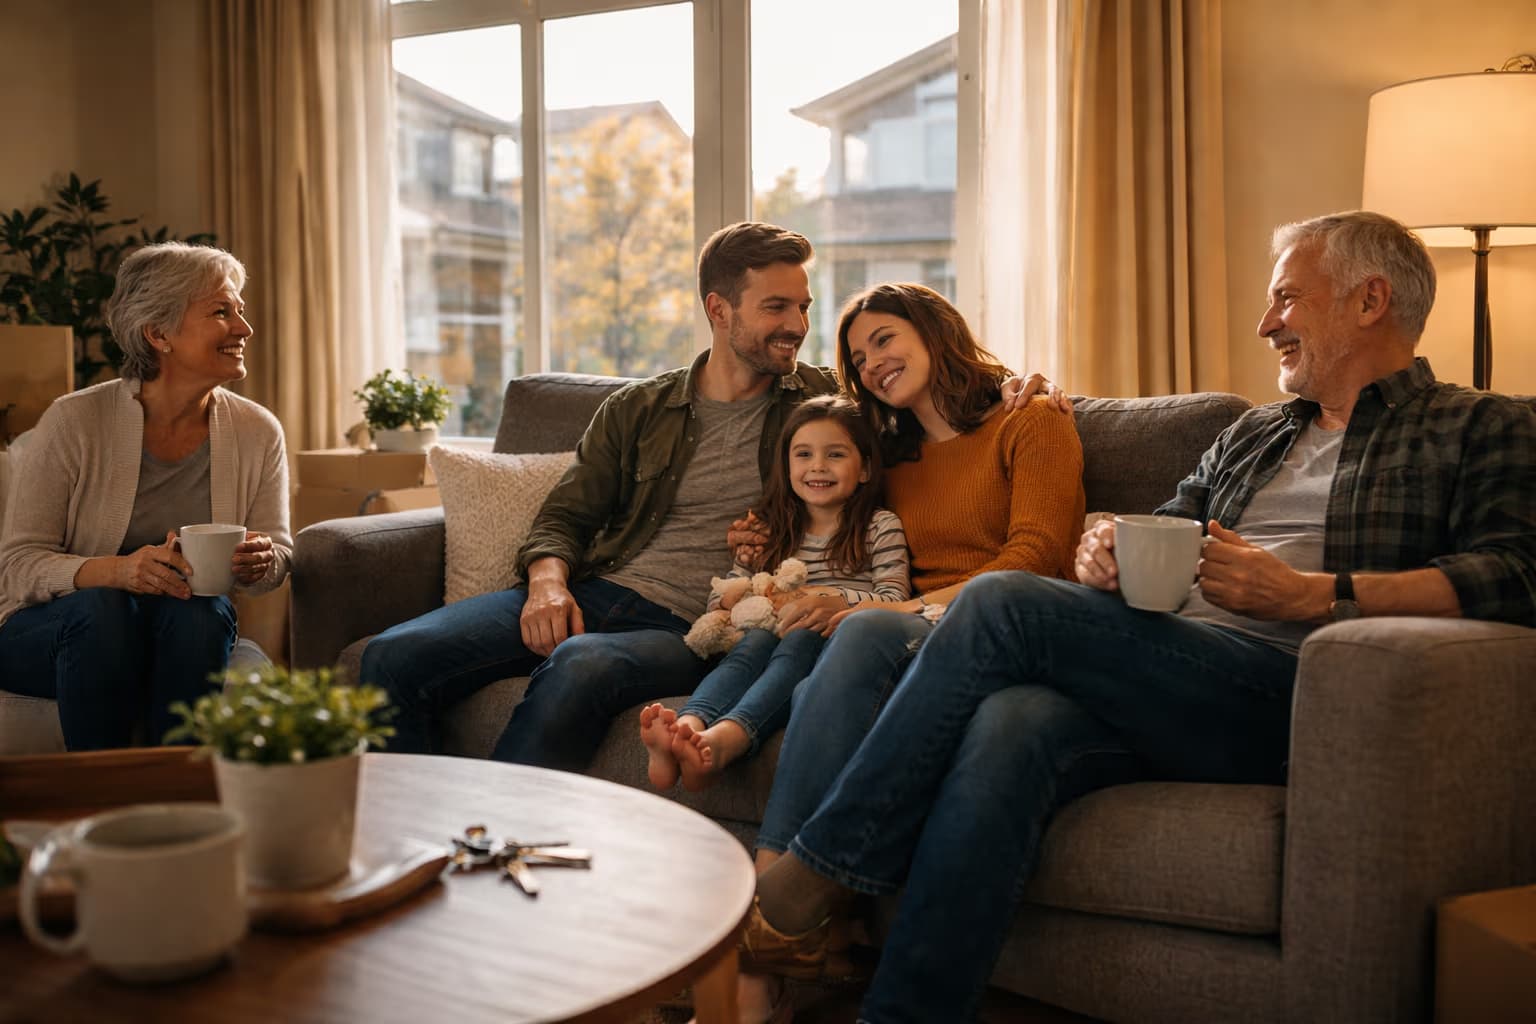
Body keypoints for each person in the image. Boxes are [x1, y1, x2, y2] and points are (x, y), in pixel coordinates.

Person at [733, 211, 1536, 1023]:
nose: (1266, 325)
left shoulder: (1480, 426)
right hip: (1174, 670)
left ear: (1370, 301)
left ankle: (811, 881)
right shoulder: (1252, 435)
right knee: (1012, 723)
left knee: (1001, 598)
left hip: (1297, 689)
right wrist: (1102, 553)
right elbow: (1161, 522)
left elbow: (1515, 573)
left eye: (1286, 300)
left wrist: (1317, 594)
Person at [0, 242, 292, 751]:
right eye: (222, 312)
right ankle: (104, 805)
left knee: (202, 610)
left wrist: (261, 562)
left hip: (177, 632)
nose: (243, 328)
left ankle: (178, 797)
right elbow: (18, 565)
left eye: (240, 311)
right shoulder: (74, 421)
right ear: (159, 334)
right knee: (105, 611)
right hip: (54, 632)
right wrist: (120, 571)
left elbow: (281, 556)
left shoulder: (258, 431)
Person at [640, 395, 910, 792]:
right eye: (803, 454)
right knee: (751, 646)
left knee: (798, 641)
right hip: (764, 639)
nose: (817, 466)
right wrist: (734, 601)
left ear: (866, 468)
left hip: (831, 643)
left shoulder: (878, 526)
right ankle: (687, 727)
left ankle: (723, 741)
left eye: (835, 454)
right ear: (787, 465)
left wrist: (827, 599)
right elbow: (725, 598)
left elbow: (894, 600)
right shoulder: (770, 527)